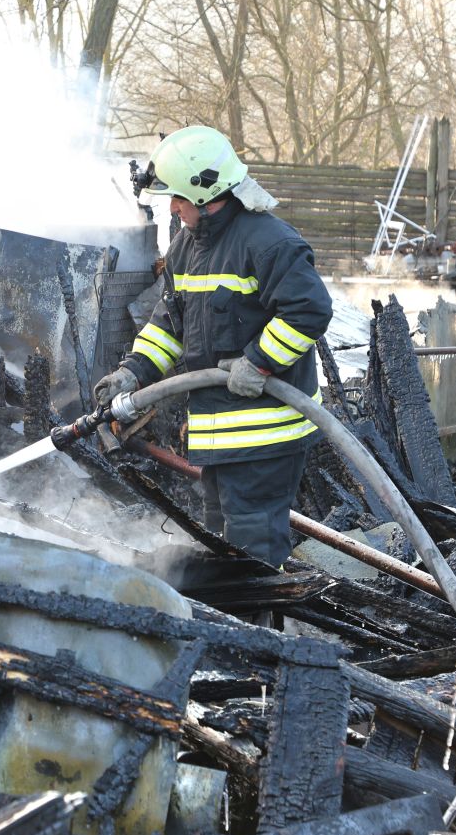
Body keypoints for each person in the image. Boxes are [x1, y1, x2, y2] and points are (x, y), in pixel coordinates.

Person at [94, 125, 333, 568]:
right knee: (221, 546)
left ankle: (260, 632)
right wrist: (133, 372)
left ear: (205, 195)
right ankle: (232, 628)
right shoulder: (188, 246)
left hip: (266, 436)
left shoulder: (269, 243)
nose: (172, 206)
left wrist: (259, 363)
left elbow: (309, 311)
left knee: (252, 552)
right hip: (219, 434)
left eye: (178, 196)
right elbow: (169, 323)